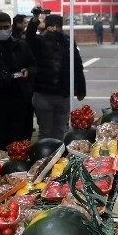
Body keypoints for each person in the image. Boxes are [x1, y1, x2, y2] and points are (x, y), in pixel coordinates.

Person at [26, 9, 86, 140]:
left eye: (58, 26)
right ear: (47, 26)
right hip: (43, 94)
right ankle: (44, 157)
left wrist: (81, 88)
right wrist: (35, 19)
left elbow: (77, 64)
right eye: (52, 26)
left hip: (63, 94)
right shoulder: (39, 41)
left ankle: (57, 157)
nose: (55, 29)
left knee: (59, 131)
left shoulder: (68, 42)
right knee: (45, 131)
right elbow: (29, 37)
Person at [0, 12, 37, 148]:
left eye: (5, 27)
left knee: (20, 141)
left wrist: (28, 71)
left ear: (11, 26)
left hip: (19, 99)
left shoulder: (21, 46)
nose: (2, 30)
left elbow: (33, 66)